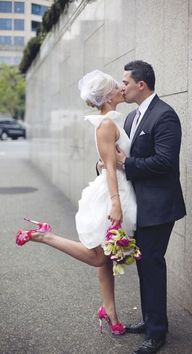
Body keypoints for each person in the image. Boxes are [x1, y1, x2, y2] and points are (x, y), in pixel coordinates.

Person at [15, 70, 137, 336]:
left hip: (118, 189)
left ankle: (110, 311)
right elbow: (108, 165)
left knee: (104, 258)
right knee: (97, 257)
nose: (121, 88)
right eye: (117, 86)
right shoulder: (106, 124)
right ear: (107, 97)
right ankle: (46, 237)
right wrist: (115, 203)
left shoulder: (112, 120)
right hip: (112, 193)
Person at [115, 61, 186, 354]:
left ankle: (157, 333)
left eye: (125, 83)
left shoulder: (165, 116)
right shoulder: (131, 118)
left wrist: (125, 164)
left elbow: (165, 162)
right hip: (139, 207)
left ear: (141, 85)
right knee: (145, 265)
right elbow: (122, 156)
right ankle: (151, 320)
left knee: (152, 266)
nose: (122, 87)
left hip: (159, 208)